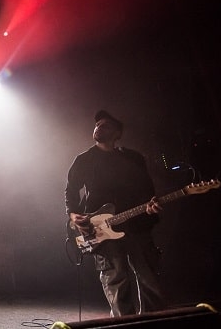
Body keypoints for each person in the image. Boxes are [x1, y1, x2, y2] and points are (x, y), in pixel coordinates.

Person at [65, 110, 166, 317]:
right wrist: (73, 214)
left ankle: (153, 324)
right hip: (102, 228)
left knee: (149, 278)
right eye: (97, 125)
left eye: (106, 125)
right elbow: (71, 190)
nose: (99, 128)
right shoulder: (84, 160)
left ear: (118, 133)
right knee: (116, 280)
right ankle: (123, 327)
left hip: (137, 224)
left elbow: (147, 189)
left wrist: (151, 204)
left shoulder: (133, 158)